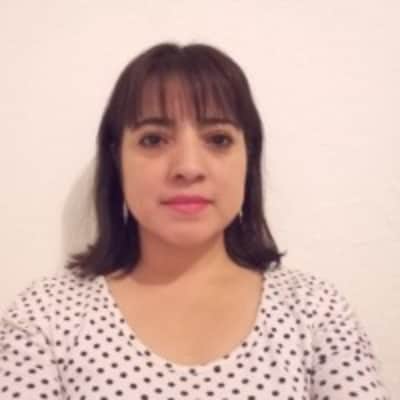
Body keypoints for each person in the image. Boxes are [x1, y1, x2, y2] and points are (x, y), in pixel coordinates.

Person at [0, 43, 390, 400]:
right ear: (117, 160)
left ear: (248, 158)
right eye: (153, 139)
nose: (188, 167)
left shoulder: (315, 310)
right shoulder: (45, 316)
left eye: (218, 139)